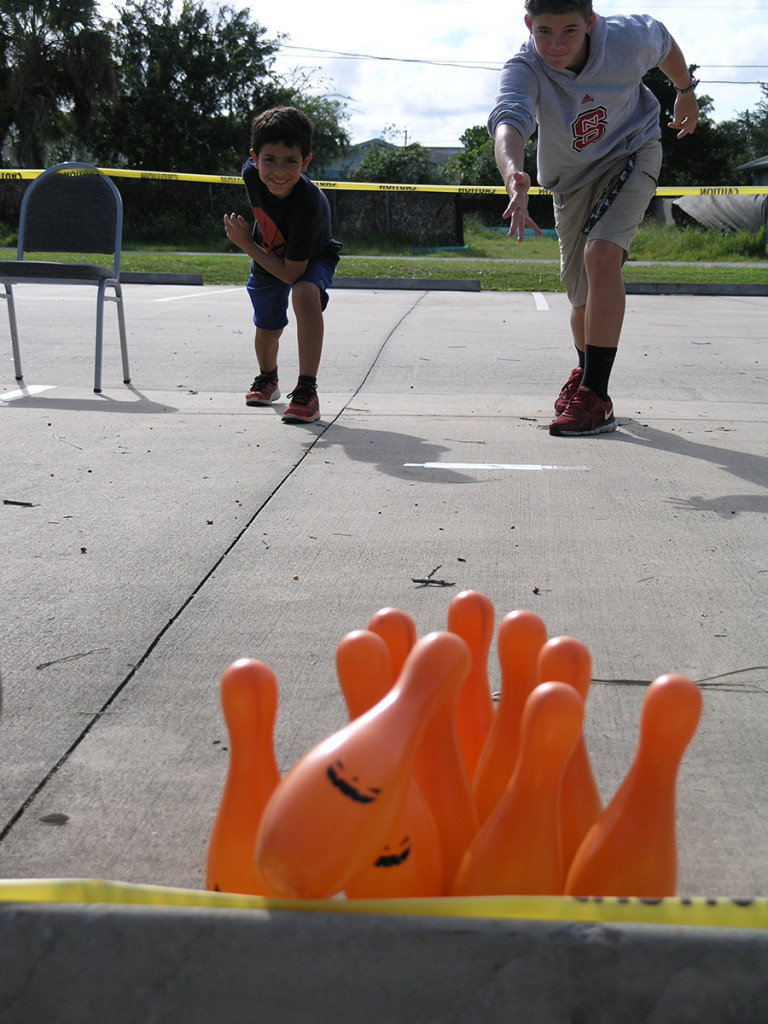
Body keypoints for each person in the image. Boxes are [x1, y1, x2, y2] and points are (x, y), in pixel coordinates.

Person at [488, 0, 698, 436]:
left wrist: (684, 90)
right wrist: (514, 176)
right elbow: (509, 121)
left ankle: (596, 398)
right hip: (571, 180)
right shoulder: (524, 67)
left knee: (601, 255)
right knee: (579, 297)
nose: (556, 44)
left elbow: (663, 41)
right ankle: (585, 375)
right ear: (529, 24)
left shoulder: (627, 38)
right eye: (544, 31)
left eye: (568, 31)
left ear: (590, 23)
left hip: (631, 151)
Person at [224, 106, 342, 423]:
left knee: (304, 293)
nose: (279, 171)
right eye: (270, 160)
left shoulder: (309, 203)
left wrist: (246, 244)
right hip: (267, 253)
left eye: (291, 161)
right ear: (255, 158)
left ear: (306, 162)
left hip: (310, 257)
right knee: (267, 330)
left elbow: (292, 273)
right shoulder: (251, 174)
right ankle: (268, 378)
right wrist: (256, 246)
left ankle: (307, 391)